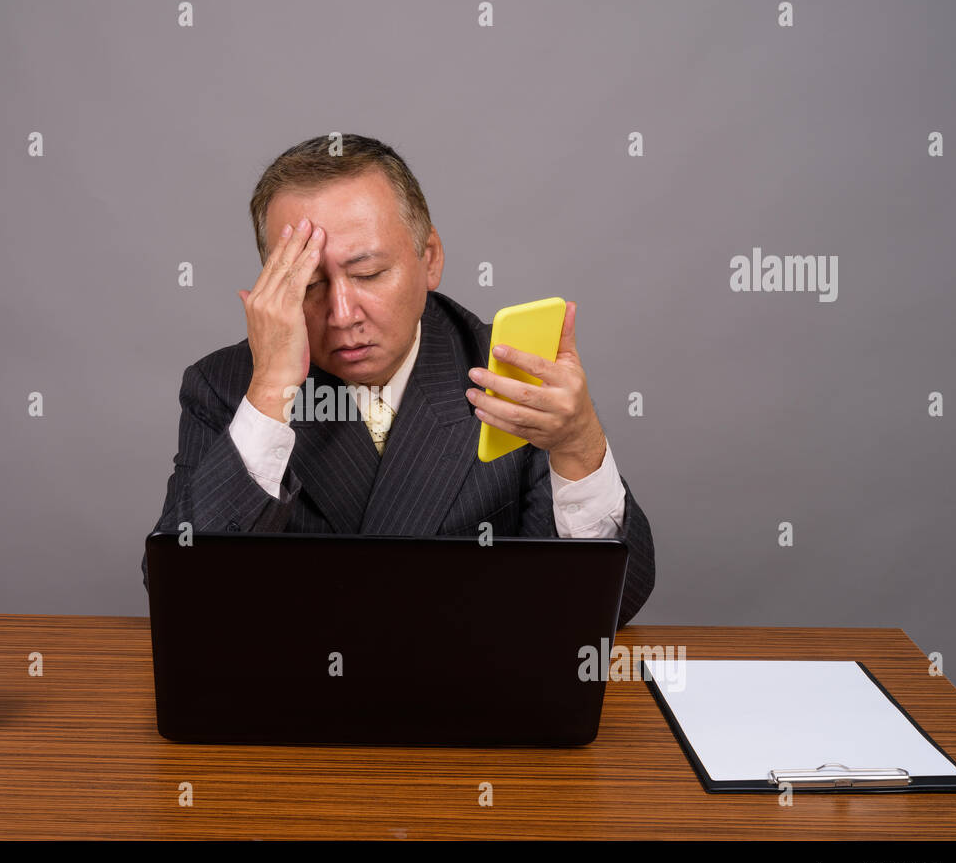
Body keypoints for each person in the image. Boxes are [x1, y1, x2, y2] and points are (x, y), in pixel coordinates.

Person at [142, 134, 654, 625]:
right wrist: (270, 396)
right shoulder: (226, 386)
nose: (342, 314)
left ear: (428, 259)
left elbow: (613, 604)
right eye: (310, 285)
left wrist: (580, 446)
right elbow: (182, 597)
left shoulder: (513, 374)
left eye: (367, 275)